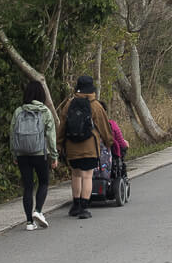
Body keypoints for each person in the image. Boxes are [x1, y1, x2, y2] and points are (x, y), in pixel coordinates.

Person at [56, 74, 114, 219]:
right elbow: (104, 127)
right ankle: (84, 207)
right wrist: (109, 142)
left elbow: (62, 126)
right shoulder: (95, 105)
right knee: (87, 176)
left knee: (75, 175)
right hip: (90, 147)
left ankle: (75, 205)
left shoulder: (69, 104)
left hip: (72, 146)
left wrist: (59, 144)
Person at [9, 80, 58, 230]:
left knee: (28, 187)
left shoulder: (19, 111)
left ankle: (29, 222)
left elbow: (12, 134)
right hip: (40, 153)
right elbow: (51, 136)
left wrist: (14, 154)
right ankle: (38, 211)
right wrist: (54, 156)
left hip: (22, 154)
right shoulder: (45, 111)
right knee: (43, 182)